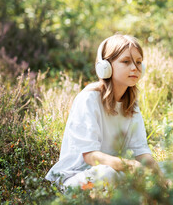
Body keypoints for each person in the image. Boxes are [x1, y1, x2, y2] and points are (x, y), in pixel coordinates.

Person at [45, 34, 165, 189]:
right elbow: (90, 156)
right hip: (75, 177)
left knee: (168, 168)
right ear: (105, 66)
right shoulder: (89, 99)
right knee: (108, 174)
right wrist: (130, 166)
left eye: (139, 62)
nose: (135, 67)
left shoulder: (132, 104)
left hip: (115, 170)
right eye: (126, 61)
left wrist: (159, 176)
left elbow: (141, 151)